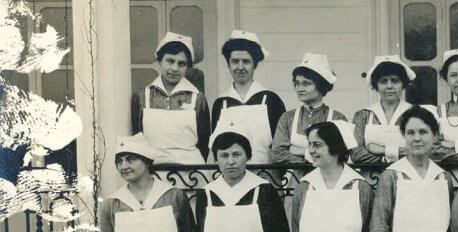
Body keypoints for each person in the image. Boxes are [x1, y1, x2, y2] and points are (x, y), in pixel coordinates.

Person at [131, 32, 210, 164]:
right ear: (159, 61)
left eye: (181, 64)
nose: (175, 68)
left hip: (191, 174)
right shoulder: (142, 97)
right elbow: (137, 139)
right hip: (153, 173)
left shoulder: (198, 98)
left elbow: (204, 143)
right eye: (170, 61)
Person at [211, 30, 286, 165]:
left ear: (254, 64)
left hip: (265, 176)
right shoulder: (221, 102)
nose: (240, 67)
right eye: (235, 61)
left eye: (246, 62)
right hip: (230, 180)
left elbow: (281, 147)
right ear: (228, 64)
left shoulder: (270, 99)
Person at [271, 53, 346, 164]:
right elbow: (277, 154)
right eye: (297, 84)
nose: (300, 88)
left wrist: (299, 151)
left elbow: (340, 156)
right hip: (295, 180)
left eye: (306, 84)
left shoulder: (337, 118)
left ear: (321, 85)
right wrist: (313, 159)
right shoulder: (287, 118)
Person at [350, 56, 417, 165]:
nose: (389, 86)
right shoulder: (363, 115)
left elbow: (420, 151)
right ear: (376, 84)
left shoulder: (415, 113)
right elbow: (356, 154)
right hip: (371, 179)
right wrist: (398, 153)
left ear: (403, 83)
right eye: (383, 81)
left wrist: (379, 150)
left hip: (406, 177)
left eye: (395, 81)